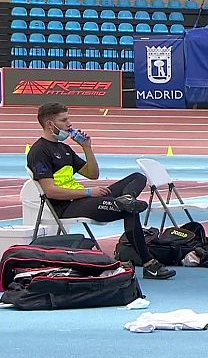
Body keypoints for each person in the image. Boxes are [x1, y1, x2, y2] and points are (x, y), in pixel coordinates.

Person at [26, 102, 175, 279]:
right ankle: (149, 263)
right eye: (64, 120)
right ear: (50, 124)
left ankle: (127, 198)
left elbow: (93, 174)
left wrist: (86, 147)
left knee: (137, 177)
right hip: (67, 206)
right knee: (129, 209)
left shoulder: (64, 148)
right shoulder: (39, 151)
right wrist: (89, 193)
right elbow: (50, 191)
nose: (69, 124)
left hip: (83, 198)